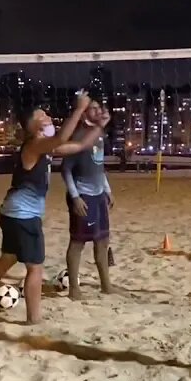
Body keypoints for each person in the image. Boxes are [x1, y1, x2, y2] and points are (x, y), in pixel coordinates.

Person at [0, 93, 110, 324]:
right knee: (35, 268)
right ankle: (34, 319)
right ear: (31, 127)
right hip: (22, 215)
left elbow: (81, 145)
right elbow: (64, 136)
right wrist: (79, 109)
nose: (47, 117)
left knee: (7, 259)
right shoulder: (34, 145)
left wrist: (100, 126)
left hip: (13, 214)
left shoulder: (44, 149)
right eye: (41, 116)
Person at [61, 101, 115, 298]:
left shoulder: (99, 135)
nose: (99, 111)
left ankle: (106, 285)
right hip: (83, 196)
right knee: (78, 242)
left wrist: (107, 189)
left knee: (103, 240)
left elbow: (99, 167)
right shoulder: (78, 137)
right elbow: (65, 170)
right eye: (94, 108)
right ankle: (74, 289)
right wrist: (75, 197)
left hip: (99, 195)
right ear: (83, 114)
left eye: (100, 107)